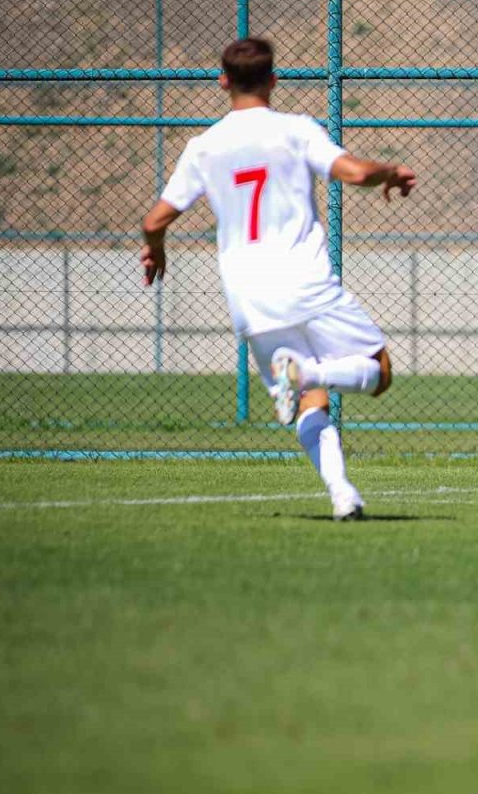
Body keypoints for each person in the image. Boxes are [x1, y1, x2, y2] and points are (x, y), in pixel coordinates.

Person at [139, 37, 417, 520]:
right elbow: (351, 173)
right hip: (304, 280)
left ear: (223, 80)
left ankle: (342, 495)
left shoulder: (203, 147)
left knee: (311, 404)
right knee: (380, 374)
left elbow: (154, 220)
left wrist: (156, 252)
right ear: (273, 80)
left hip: (250, 297)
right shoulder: (294, 130)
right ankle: (310, 373)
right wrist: (389, 170)